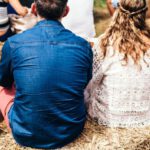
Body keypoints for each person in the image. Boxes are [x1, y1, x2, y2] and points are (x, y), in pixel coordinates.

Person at [0, 0, 93, 149]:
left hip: (25, 134)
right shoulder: (83, 45)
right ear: (66, 11)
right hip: (70, 131)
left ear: (34, 9)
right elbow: (85, 82)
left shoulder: (13, 43)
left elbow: (4, 82)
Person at [85, 0, 150, 127]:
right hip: (145, 117)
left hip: (108, 116)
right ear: (144, 14)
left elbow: (92, 81)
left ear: (118, 12)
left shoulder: (104, 44)